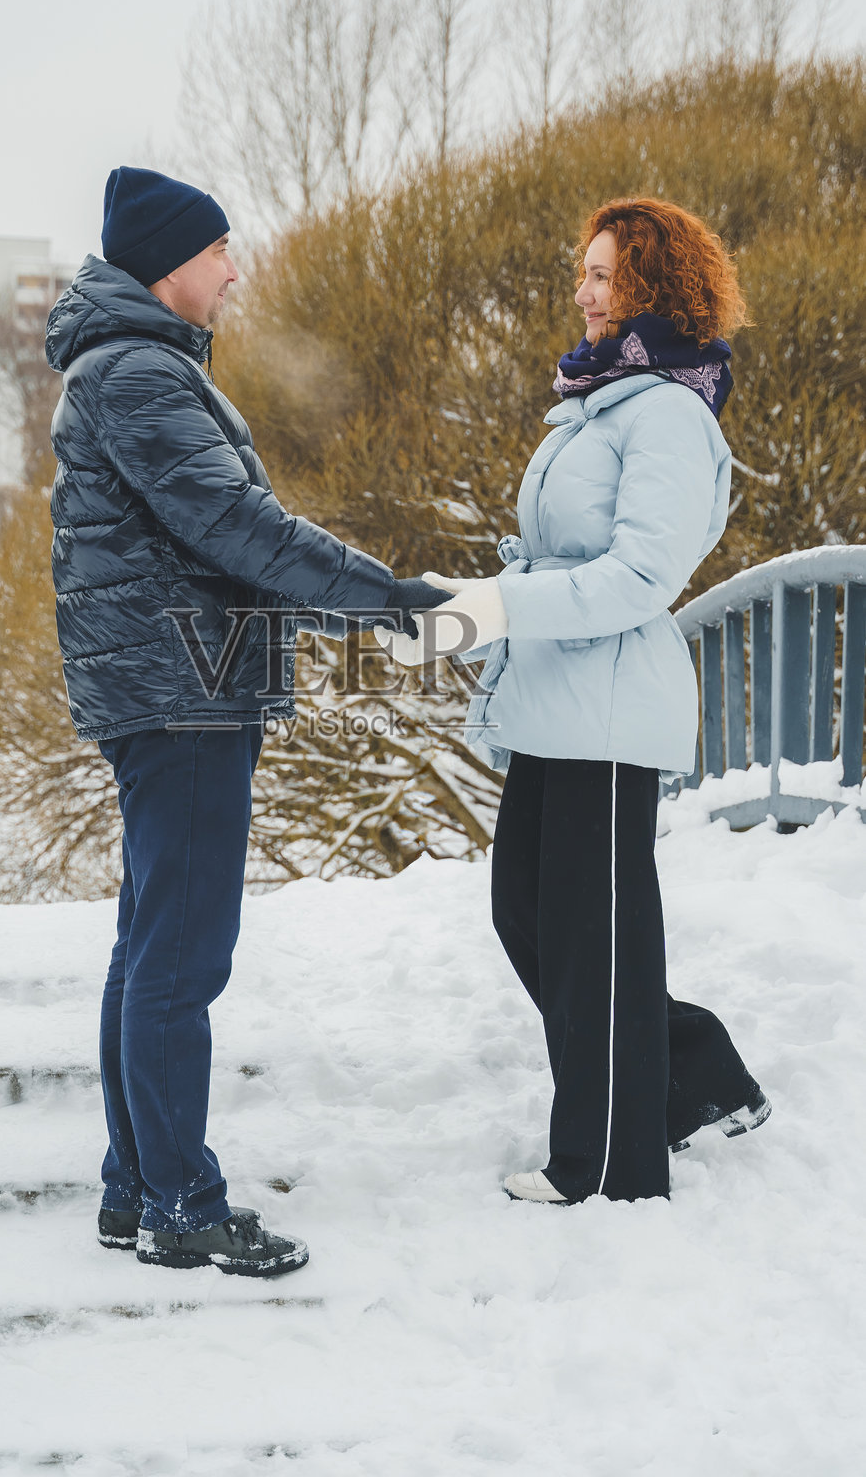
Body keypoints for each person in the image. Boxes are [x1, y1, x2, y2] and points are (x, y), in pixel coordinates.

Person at [46, 167, 448, 1274]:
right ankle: (183, 1204)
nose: (233, 269)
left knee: (149, 947)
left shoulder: (135, 366)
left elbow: (222, 538)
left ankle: (135, 1188)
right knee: (179, 958)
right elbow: (236, 527)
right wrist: (390, 597)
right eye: (218, 249)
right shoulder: (139, 373)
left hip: (175, 689)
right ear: (166, 263)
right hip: (183, 699)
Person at [378, 197, 770, 1204]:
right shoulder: (594, 402)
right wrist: (471, 601)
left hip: (604, 704)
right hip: (554, 696)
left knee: (590, 938)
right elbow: (558, 553)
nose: (582, 291)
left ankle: (604, 1164)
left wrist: (495, 606)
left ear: (648, 284)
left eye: (601, 275)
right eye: (582, 272)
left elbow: (641, 576)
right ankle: (691, 1073)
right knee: (530, 917)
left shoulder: (670, 416)